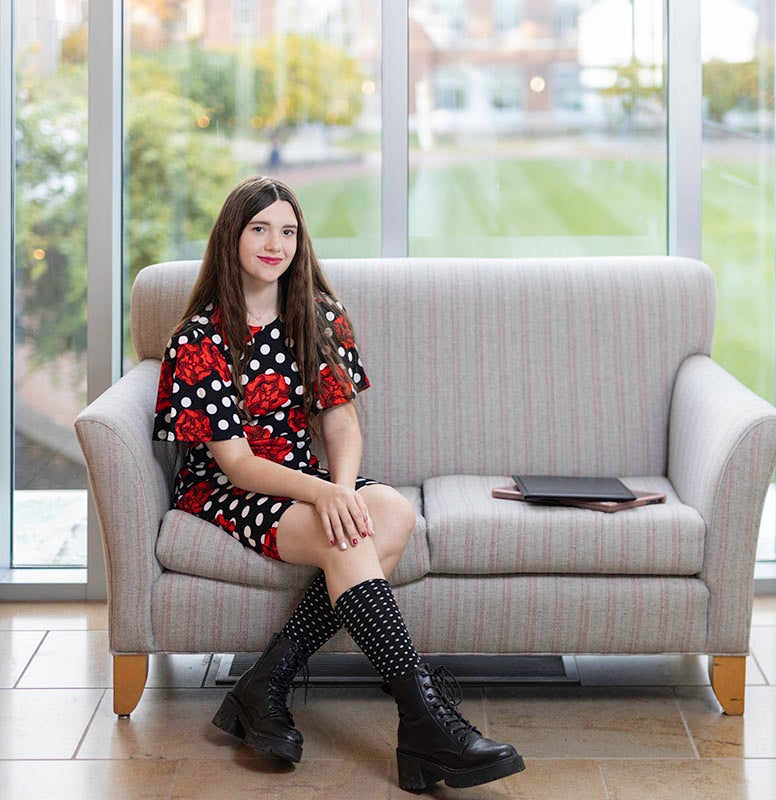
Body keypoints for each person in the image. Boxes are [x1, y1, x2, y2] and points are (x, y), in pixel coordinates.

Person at [151, 176, 525, 791]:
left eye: (289, 231)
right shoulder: (200, 337)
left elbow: (340, 421)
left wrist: (341, 488)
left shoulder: (317, 312)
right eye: (260, 229)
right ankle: (425, 721)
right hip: (228, 487)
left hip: (307, 478)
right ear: (232, 237)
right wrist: (324, 497)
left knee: (394, 515)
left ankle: (264, 681)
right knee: (349, 541)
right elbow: (236, 463)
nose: (276, 243)